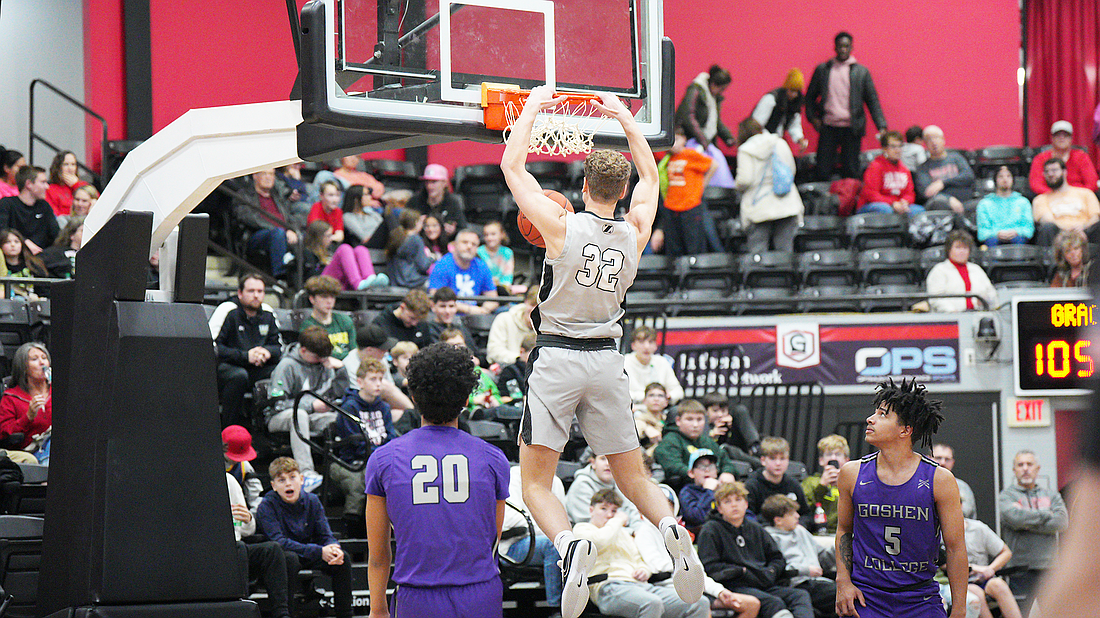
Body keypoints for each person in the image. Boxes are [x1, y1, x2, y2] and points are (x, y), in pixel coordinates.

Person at [503, 86, 704, 618]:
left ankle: (571, 547)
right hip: (608, 360)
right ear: (619, 188)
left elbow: (511, 165)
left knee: (537, 483)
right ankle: (669, 528)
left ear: (584, 184)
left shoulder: (560, 226)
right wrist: (623, 118)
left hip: (558, 358)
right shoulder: (635, 232)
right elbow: (652, 178)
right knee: (634, 476)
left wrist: (533, 108)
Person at [365, 341, 510, 618]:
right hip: (480, 594)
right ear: (466, 399)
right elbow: (492, 538)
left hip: (417, 597)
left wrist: (378, 609)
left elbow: (379, 555)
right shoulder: (493, 459)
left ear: (414, 396)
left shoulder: (384, 460)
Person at [834, 378, 968, 618]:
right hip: (867, 597)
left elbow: (956, 548)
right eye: (874, 412)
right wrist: (843, 581)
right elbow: (844, 529)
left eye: (882, 415)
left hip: (920, 598)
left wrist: (959, 608)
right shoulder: (851, 473)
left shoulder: (940, 479)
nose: (870, 419)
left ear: (905, 430)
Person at [573, 489, 711, 618]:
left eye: (614, 511)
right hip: (608, 587)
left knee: (699, 603)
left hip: (640, 586)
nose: (609, 515)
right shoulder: (582, 529)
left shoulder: (623, 534)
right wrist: (618, 520)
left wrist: (644, 571)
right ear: (591, 510)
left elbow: (639, 560)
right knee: (650, 603)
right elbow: (600, 542)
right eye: (603, 509)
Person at [698, 481, 815, 618]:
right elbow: (709, 566)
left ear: (746, 504)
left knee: (799, 595)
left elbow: (777, 558)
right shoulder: (710, 530)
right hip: (733, 586)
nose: (734, 504)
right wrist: (741, 571)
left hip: (762, 582)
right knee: (773, 603)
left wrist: (771, 572)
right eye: (727, 501)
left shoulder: (755, 528)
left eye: (738, 500)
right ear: (719, 508)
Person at [256, 457, 352, 618]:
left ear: (301, 479)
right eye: (281, 480)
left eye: (292, 477)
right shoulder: (266, 506)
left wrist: (334, 547)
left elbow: (325, 534)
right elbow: (279, 542)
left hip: (309, 552)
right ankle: (286, 614)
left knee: (343, 559)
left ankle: (346, 615)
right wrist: (319, 551)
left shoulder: (312, 501)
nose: (288, 483)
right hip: (282, 556)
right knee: (290, 560)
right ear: (273, 486)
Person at [266, 325, 351, 493]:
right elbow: (277, 404)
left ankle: (348, 467)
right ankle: (306, 473)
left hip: (312, 416)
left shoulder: (324, 363)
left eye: (324, 356)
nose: (321, 360)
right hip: (279, 417)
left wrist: (341, 370)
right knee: (300, 414)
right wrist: (311, 406)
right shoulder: (287, 366)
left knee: (342, 417)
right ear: (303, 350)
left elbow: (338, 392)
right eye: (317, 356)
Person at [222, 428, 291, 618]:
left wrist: (250, 518)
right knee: (240, 549)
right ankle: (242, 607)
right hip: (220, 546)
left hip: (238, 537)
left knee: (273, 549)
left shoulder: (241, 473)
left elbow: (253, 511)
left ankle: (282, 613)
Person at [806, 32, 887, 181]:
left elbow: (872, 101)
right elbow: (809, 97)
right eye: (840, 46)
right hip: (828, 127)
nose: (843, 49)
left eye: (846, 46)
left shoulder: (861, 72)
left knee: (851, 170)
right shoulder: (823, 70)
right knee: (822, 169)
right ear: (835, 47)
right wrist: (813, 118)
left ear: (851, 48)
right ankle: (824, 202)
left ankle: (849, 202)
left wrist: (881, 126)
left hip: (852, 128)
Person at [329, 357, 392, 538]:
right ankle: (353, 529)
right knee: (361, 482)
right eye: (373, 379)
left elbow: (391, 435)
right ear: (359, 382)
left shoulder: (385, 407)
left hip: (378, 458)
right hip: (352, 462)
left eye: (381, 379)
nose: (378, 384)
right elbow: (355, 444)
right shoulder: (350, 407)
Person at [997, 450, 1067, 608]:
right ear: (1014, 470)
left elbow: (1062, 522)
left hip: (1049, 568)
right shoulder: (1006, 496)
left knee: (1055, 612)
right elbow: (1014, 518)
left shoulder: (1052, 495)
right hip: (1019, 569)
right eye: (1020, 465)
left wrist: (1026, 519)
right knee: (1020, 613)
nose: (1025, 468)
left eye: (1029, 464)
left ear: (1038, 468)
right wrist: (1047, 514)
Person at [212, 273, 282, 428]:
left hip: (257, 368)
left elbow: (278, 347)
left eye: (260, 291)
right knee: (239, 376)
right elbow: (218, 349)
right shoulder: (231, 314)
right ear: (240, 293)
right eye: (251, 291)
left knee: (282, 369)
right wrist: (246, 356)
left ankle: (266, 427)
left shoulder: (268, 316)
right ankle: (228, 430)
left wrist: (267, 352)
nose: (256, 296)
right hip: (230, 366)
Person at [500, 463, 566, 609]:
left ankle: (580, 603)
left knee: (575, 544)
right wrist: (549, 527)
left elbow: (562, 522)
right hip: (513, 545)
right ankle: (556, 607)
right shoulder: (515, 476)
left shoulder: (556, 482)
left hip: (543, 540)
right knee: (552, 545)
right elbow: (510, 520)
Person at [734, 117, 804, 254]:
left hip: (759, 207)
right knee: (785, 254)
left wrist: (735, 185)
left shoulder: (745, 150)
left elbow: (745, 180)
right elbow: (791, 170)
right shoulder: (779, 143)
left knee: (758, 254)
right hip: (786, 204)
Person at [761, 494, 837, 618]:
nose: (798, 516)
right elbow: (777, 569)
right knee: (844, 596)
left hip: (820, 581)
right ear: (778, 520)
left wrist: (838, 548)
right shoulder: (770, 538)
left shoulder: (800, 530)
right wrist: (806, 570)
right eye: (792, 514)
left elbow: (823, 560)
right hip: (798, 584)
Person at [936, 512, 1022, 618]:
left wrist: (990, 569)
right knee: (976, 593)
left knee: (999, 585)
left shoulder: (978, 528)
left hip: (983, 577)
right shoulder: (937, 533)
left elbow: (1006, 552)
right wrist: (978, 569)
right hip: (958, 581)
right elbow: (944, 563)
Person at [231, 169, 304, 280]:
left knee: (302, 236)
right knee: (278, 234)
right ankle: (280, 278)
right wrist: (282, 230)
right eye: (264, 173)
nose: (268, 177)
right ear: (255, 175)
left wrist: (292, 230)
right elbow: (248, 218)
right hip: (256, 235)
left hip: (282, 234)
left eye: (271, 174)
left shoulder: (278, 197)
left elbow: (290, 217)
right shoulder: (245, 195)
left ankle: (304, 278)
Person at [674, 64, 737, 187]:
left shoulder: (712, 97)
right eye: (722, 89)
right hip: (690, 140)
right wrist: (704, 141)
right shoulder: (696, 90)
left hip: (701, 140)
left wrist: (729, 139)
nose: (722, 92)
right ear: (714, 84)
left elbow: (716, 122)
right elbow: (688, 117)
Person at [653, 400, 739, 488]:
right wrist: (701, 477)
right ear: (678, 420)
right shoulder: (670, 441)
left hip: (713, 485)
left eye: (699, 419)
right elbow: (673, 467)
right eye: (689, 419)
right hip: (685, 489)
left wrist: (727, 473)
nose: (695, 424)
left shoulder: (706, 441)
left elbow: (725, 460)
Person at [658, 128, 717, 257]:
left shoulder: (691, 154)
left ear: (684, 139)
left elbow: (713, 165)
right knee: (675, 248)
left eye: (676, 139)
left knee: (694, 245)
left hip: (690, 205)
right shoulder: (667, 159)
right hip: (672, 206)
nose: (673, 144)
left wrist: (702, 185)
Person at [745, 436, 817, 531]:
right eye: (773, 458)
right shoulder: (752, 485)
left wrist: (799, 525)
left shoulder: (793, 485)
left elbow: (806, 514)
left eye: (782, 458)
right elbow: (747, 516)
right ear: (763, 460)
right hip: (763, 532)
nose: (778, 463)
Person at [427, 228, 499, 315]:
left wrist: (483, 309)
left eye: (474, 244)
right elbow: (435, 299)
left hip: (475, 317)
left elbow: (493, 298)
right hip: (448, 316)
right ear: (455, 245)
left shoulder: (481, 266)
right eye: (465, 242)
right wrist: (469, 309)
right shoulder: (442, 265)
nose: (469, 247)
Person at [1032, 157, 1100, 246]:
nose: (1050, 174)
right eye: (1047, 171)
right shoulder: (1040, 199)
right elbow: (1047, 221)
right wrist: (1071, 232)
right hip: (1058, 235)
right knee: (1047, 228)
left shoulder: (1086, 193)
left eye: (1054, 170)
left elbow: (1095, 217)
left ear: (1064, 172)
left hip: (1085, 232)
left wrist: (1083, 227)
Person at [926, 230, 998, 313]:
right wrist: (953, 312)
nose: (962, 252)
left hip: (978, 315)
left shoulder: (977, 269)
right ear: (949, 250)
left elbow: (991, 293)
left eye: (965, 248)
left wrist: (985, 300)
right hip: (950, 319)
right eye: (958, 247)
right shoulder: (939, 270)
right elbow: (935, 299)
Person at [564, 449, 641, 526]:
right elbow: (590, 524)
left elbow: (633, 513)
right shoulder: (581, 485)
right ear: (593, 463)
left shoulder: (620, 483)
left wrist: (636, 531)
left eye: (613, 460)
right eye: (603, 459)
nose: (608, 464)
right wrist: (620, 522)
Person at [0, 342, 52, 451]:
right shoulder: (11, 398)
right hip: (30, 453)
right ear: (23, 367)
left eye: (44, 358)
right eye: (34, 359)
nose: (42, 363)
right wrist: (28, 417)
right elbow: (4, 434)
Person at [914, 126, 975, 215]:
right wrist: (948, 199)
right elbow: (926, 192)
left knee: (982, 204)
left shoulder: (956, 158)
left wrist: (942, 183)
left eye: (936, 138)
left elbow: (968, 176)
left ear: (943, 140)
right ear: (925, 144)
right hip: (941, 205)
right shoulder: (923, 168)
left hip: (965, 203)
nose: (933, 142)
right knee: (938, 202)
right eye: (929, 140)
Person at [0, 166, 61, 254]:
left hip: (43, 256)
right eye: (43, 182)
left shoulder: (44, 206)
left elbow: (56, 235)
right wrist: (24, 242)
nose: (47, 187)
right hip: (16, 255)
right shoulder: (6, 204)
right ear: (29, 184)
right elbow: (2, 231)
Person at [1028, 120, 1099, 195]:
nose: (1062, 138)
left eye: (1066, 135)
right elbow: (1036, 185)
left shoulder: (1081, 157)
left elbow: (1092, 183)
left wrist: (1076, 195)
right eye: (1058, 135)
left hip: (1078, 198)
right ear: (1051, 138)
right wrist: (1056, 195)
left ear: (1071, 139)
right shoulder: (1040, 159)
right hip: (1049, 198)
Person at [857, 131, 920, 215]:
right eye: (893, 147)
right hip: (870, 205)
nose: (898, 150)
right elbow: (871, 194)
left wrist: (905, 202)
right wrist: (893, 203)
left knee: (918, 210)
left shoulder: (904, 169)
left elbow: (910, 194)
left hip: (897, 204)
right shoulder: (875, 166)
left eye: (900, 146)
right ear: (885, 149)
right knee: (885, 210)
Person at [801, 434, 851, 534]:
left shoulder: (852, 482)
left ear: (846, 460)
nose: (833, 458)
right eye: (828, 454)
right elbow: (804, 509)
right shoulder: (810, 482)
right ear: (821, 460)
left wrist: (842, 485)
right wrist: (822, 486)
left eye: (837, 454)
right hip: (815, 533)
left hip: (845, 534)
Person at [300, 275, 357, 360]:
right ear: (312, 299)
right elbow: (318, 354)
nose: (329, 301)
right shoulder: (308, 327)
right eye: (324, 297)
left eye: (332, 297)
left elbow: (354, 350)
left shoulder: (344, 320)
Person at [625, 326, 684, 407]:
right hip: (634, 408)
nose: (646, 347)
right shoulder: (624, 362)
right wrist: (652, 397)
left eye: (651, 342)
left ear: (656, 346)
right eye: (641, 342)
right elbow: (621, 394)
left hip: (660, 409)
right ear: (633, 345)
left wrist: (668, 396)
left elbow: (678, 391)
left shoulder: (662, 362)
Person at [751, 69, 809, 152]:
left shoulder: (795, 104)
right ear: (787, 88)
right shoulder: (771, 99)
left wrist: (800, 140)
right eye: (792, 90)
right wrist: (769, 139)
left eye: (797, 91)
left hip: (775, 143)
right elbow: (756, 124)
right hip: (761, 142)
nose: (794, 95)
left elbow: (794, 125)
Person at [976, 165, 1034, 246]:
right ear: (995, 180)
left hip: (1017, 238)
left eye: (1008, 176)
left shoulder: (1023, 202)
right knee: (991, 241)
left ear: (1013, 180)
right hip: (993, 239)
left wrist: (1016, 231)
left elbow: (1029, 230)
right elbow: (982, 233)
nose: (1005, 179)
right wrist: (997, 233)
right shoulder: (984, 204)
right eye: (1001, 176)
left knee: (1020, 240)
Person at [407, 163, 467, 238]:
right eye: (427, 182)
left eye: (434, 182)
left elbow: (463, 229)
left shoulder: (452, 202)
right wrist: (415, 228)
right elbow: (404, 229)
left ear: (444, 183)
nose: (429, 186)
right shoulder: (414, 201)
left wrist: (453, 232)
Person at [486, 285, 538, 365]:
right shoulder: (504, 319)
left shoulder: (549, 328)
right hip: (508, 369)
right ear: (526, 302)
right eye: (532, 305)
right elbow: (494, 352)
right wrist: (520, 358)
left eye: (538, 308)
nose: (534, 311)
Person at [385, 208, 435, 288]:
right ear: (415, 223)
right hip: (412, 282)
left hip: (395, 282)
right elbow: (423, 266)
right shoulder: (416, 239)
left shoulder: (395, 236)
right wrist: (431, 258)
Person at [931, 443, 976, 520]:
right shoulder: (918, 484)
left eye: (947, 459)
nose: (943, 463)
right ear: (928, 458)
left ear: (953, 462)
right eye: (938, 458)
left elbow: (967, 513)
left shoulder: (962, 487)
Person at [0, 229, 49, 300]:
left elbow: (43, 290)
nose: (13, 245)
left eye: (16, 242)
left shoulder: (33, 264)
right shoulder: (1, 267)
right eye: (7, 242)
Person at [679, 449, 720, 529]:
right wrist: (709, 491)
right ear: (691, 473)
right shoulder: (687, 492)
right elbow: (696, 517)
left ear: (716, 471)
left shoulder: (724, 490)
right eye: (701, 467)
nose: (707, 470)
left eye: (711, 466)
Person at [478, 220, 523, 294]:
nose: (489, 238)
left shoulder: (507, 252)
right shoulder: (479, 252)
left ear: (502, 235)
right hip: (484, 288)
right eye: (486, 235)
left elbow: (508, 275)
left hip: (501, 288)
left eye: (493, 234)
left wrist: (501, 284)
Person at [44, 150, 89, 217]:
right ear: (58, 167)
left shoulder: (83, 185)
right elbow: (54, 216)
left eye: (73, 164)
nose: (70, 168)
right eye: (66, 164)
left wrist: (77, 184)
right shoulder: (49, 189)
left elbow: (97, 200)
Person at [496, 332, 534, 405]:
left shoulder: (542, 372)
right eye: (534, 354)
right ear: (521, 351)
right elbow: (503, 398)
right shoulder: (509, 371)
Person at [40, 215, 82, 279]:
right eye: (82, 231)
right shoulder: (53, 254)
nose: (86, 234)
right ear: (72, 235)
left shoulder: (95, 255)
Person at [307, 180, 345, 245]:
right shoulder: (316, 207)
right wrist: (331, 237)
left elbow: (340, 235)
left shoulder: (338, 211)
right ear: (321, 196)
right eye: (331, 195)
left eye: (337, 195)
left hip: (331, 244)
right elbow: (317, 232)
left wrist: (329, 238)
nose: (335, 200)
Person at [636, 383, 670, 454]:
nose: (656, 399)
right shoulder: (639, 421)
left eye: (660, 396)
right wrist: (646, 427)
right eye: (651, 395)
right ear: (644, 401)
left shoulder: (669, 421)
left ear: (666, 402)